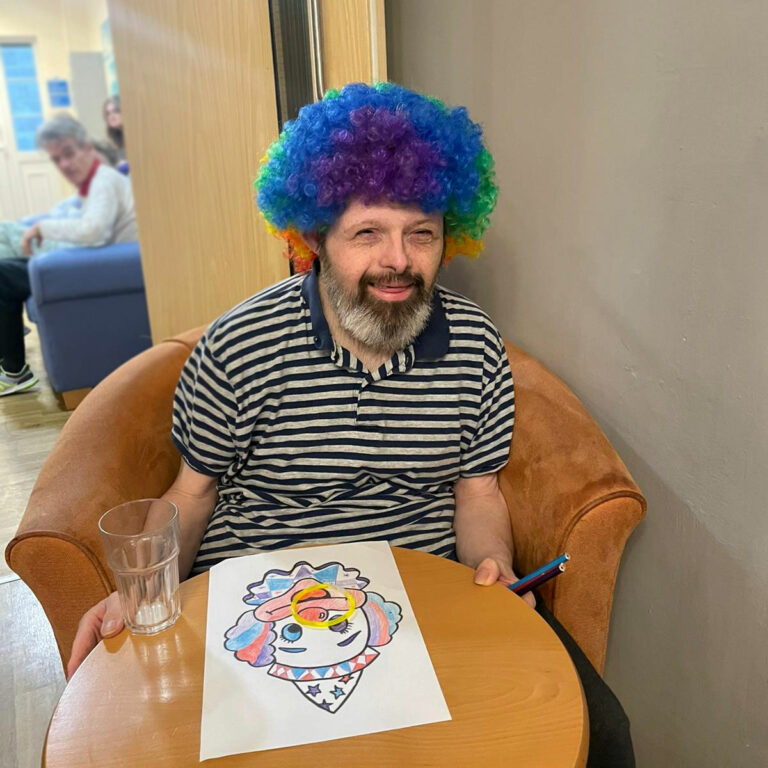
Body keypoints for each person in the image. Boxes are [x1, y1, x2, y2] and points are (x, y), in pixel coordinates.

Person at [67, 83, 633, 766]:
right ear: (313, 237)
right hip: (263, 601)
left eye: (421, 233)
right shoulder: (237, 345)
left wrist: (494, 565)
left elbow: (479, 491)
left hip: (426, 597)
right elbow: (192, 492)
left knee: (602, 732)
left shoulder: (476, 344)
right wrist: (140, 597)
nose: (398, 260)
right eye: (367, 233)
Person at [0, 114, 137, 396]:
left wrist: (43, 227)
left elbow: (94, 231)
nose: (64, 165)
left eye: (69, 154)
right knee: (4, 269)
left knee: (2, 274)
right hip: (86, 262)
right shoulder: (94, 184)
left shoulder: (104, 180)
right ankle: (12, 367)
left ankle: (13, 371)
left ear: (87, 148)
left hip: (90, 267)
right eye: (56, 159)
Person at [103, 95, 129, 173]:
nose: (112, 116)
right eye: (108, 114)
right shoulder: (108, 143)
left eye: (116, 111)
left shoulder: (136, 136)